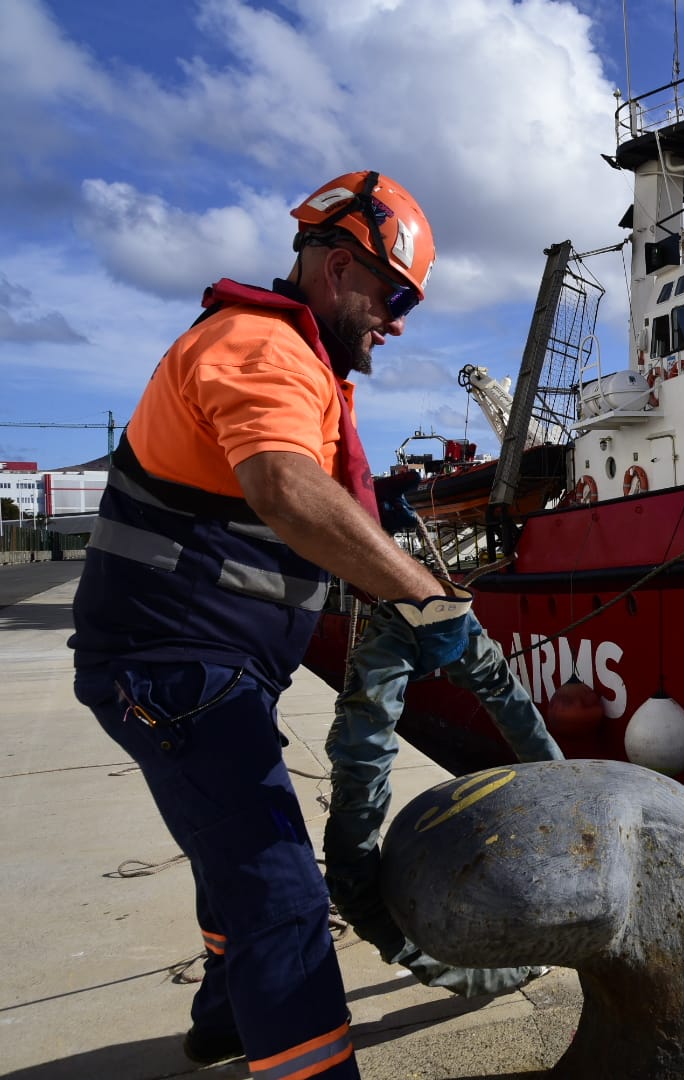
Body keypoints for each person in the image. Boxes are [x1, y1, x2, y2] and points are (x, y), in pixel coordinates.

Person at [69, 170, 461, 1076]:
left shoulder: (296, 363)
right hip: (173, 664)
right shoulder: (261, 347)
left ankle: (224, 1017)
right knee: (280, 894)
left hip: (196, 663)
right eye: (393, 293)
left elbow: (294, 491)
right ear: (335, 269)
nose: (397, 320)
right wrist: (426, 598)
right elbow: (285, 489)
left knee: (229, 855)